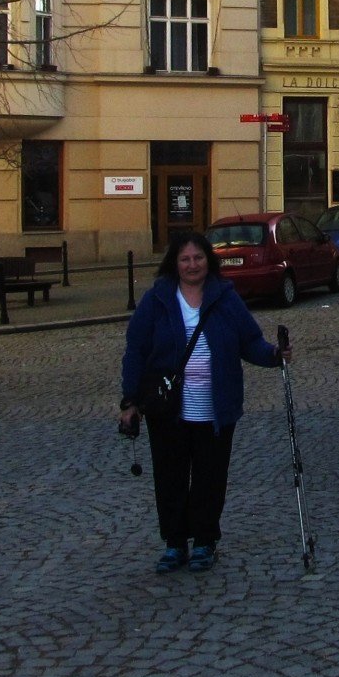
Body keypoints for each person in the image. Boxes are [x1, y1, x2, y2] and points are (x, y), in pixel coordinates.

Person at [119, 231, 287, 574]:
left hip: (215, 405)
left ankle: (205, 541)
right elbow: (135, 350)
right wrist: (129, 401)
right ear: (174, 264)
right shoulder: (157, 300)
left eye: (198, 258)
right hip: (168, 408)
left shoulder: (225, 298)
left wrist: (274, 355)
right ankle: (175, 543)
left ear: (208, 260)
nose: (192, 265)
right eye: (185, 259)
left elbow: (249, 340)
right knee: (170, 477)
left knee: (210, 477)